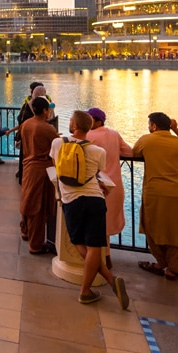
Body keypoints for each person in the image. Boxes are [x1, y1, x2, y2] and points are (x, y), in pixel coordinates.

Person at [50, 111, 129, 309]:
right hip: (95, 199)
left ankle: (102, 283)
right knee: (95, 245)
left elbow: (58, 170)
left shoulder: (58, 144)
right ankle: (99, 284)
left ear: (75, 126)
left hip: (71, 200)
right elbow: (94, 174)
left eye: (70, 121)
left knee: (78, 242)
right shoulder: (98, 152)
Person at [133, 113, 178, 280]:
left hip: (156, 192)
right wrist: (176, 129)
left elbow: (134, 153)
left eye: (149, 124)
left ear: (153, 126)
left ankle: (160, 262)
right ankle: (174, 269)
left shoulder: (146, 140)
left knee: (153, 227)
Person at [84, 107, 133, 264]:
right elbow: (130, 152)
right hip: (115, 186)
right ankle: (106, 256)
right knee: (104, 223)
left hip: (98, 185)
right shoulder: (114, 134)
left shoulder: (89, 136)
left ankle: (100, 260)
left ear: (98, 121)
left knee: (96, 223)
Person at [19, 96, 58, 255]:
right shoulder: (47, 128)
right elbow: (57, 145)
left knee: (28, 199)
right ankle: (36, 245)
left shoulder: (26, 124)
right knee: (38, 207)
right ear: (44, 110)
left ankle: (26, 231)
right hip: (42, 169)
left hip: (28, 166)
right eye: (48, 109)